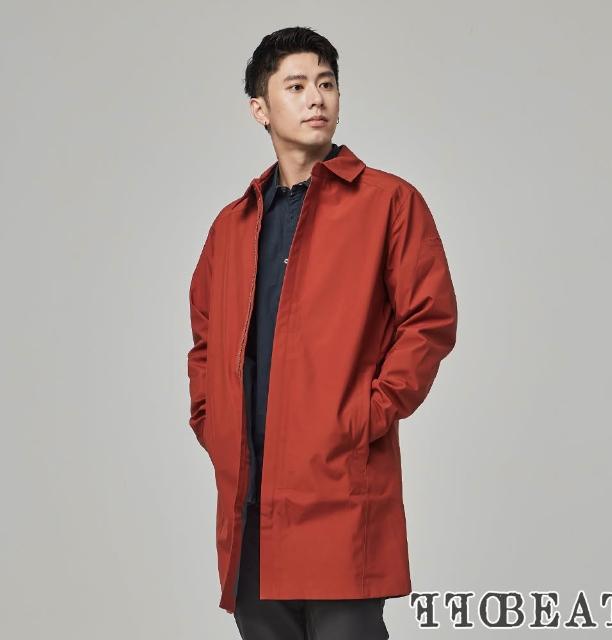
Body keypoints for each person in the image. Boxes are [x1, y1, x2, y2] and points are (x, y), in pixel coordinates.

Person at [187, 26, 458, 640]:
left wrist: (367, 413)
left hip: (340, 489)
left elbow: (430, 317)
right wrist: (213, 420)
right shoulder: (232, 226)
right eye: (297, 86)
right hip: (251, 502)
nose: (317, 98)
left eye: (327, 83)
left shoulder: (387, 203)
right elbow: (205, 338)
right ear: (260, 108)